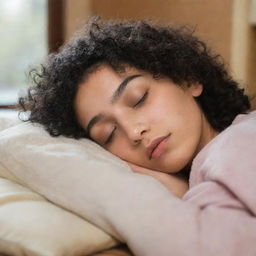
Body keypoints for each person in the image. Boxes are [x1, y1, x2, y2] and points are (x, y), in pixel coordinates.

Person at [19, 18, 256, 255]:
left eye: (138, 99)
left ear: (188, 79)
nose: (133, 132)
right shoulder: (210, 169)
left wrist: (176, 192)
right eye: (108, 134)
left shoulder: (239, 141)